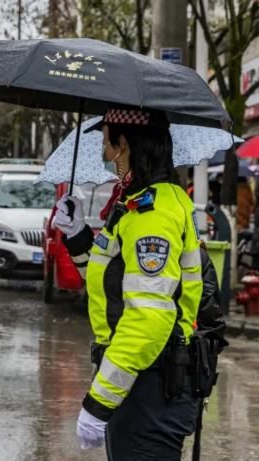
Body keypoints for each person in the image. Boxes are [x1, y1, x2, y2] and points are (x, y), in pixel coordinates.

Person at [54, 107, 203, 460]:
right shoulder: (138, 204)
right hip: (142, 378)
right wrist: (76, 236)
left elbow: (148, 318)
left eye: (107, 143)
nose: (105, 154)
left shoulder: (153, 215)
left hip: (150, 384)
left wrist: (99, 402)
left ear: (124, 145)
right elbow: (112, 282)